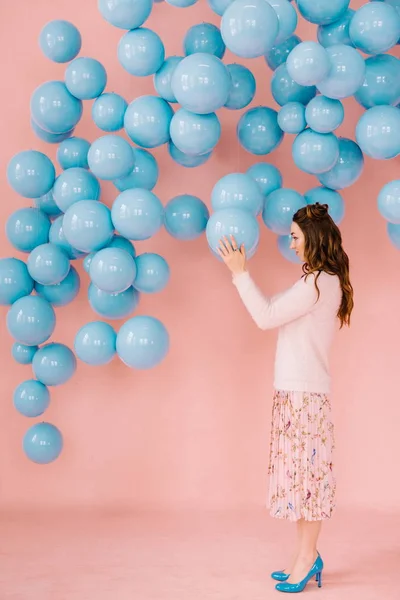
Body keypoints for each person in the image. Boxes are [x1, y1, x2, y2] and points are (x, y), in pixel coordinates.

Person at [217, 202, 354, 594]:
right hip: (296, 392)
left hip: (305, 396)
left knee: (308, 485)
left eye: (294, 237)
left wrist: (240, 274)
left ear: (312, 237)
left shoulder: (316, 283)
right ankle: (303, 558)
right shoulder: (317, 280)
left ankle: (308, 559)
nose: (291, 244)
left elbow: (265, 316)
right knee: (301, 484)